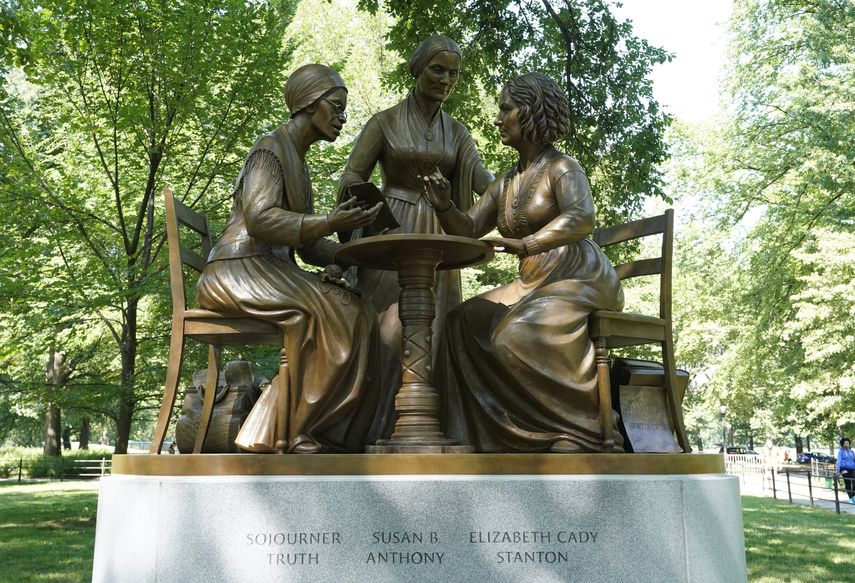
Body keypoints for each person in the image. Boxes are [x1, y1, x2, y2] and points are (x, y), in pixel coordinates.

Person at [423, 72, 624, 452]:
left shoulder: (563, 168)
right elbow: (468, 228)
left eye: (506, 108)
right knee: (460, 322)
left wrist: (528, 243)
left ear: (530, 112)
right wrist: (444, 204)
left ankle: (582, 429)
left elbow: (582, 217)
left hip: (578, 276)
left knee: (514, 335)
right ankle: (489, 433)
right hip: (533, 281)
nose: (497, 118)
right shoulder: (505, 182)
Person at [197, 64, 382, 454]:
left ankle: (298, 428)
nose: (342, 116)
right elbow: (260, 218)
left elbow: (309, 246)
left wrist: (353, 252)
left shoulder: (299, 162)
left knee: (357, 310)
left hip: (270, 270)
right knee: (338, 312)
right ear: (308, 104)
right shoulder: (270, 149)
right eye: (335, 106)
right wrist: (330, 220)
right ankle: (293, 429)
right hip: (237, 269)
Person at [337, 35, 493, 443]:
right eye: (437, 69)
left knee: (435, 329)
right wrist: (367, 209)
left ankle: (422, 426)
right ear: (418, 70)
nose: (446, 79)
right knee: (385, 327)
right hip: (390, 230)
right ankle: (369, 432)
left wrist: (521, 187)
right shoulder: (384, 122)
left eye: (453, 73)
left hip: (438, 235)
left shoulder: (457, 133)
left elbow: (484, 183)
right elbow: (353, 176)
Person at [835, 437, 855, 504]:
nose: (847, 444)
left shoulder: (851, 452)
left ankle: (853, 496)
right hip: (844, 469)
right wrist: (837, 471)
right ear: (842, 444)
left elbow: (854, 460)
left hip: (852, 468)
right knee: (848, 482)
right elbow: (839, 461)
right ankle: (850, 498)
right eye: (846, 443)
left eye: (848, 443)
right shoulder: (841, 452)